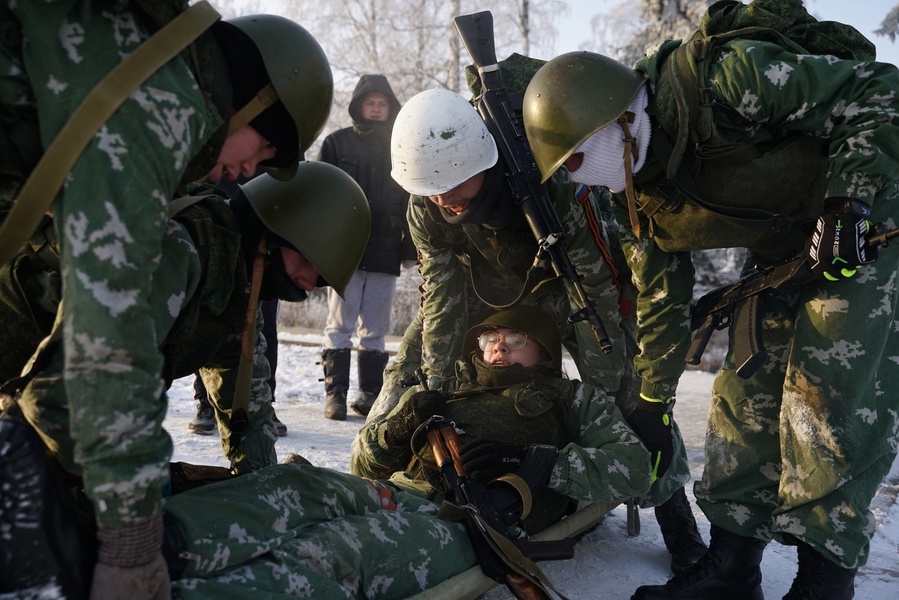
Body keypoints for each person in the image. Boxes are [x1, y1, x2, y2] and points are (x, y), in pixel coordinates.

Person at [520, 1, 899, 598]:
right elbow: (661, 299)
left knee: (826, 399)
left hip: (870, 219)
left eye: (574, 159)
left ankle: (824, 583)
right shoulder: (636, 196)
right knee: (743, 394)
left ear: (615, 121)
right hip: (782, 249)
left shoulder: (727, 78)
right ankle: (731, 570)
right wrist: (652, 404)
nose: (577, 178)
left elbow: (880, 92)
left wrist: (849, 202)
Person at [0, 3, 332, 596]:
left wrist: (261, 491)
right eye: (263, 152)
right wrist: (130, 540)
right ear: (256, 100)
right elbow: (103, 351)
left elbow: (243, 406)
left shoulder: (141, 67)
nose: (249, 170)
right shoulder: (162, 111)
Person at [2, 305, 652, 598]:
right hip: (402, 490)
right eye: (491, 336)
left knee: (334, 553)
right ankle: (133, 552)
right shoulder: (447, 392)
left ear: (544, 350)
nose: (497, 347)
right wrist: (401, 422)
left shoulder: (572, 401)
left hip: (474, 524)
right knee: (290, 489)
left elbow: (637, 471)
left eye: (516, 339)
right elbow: (367, 462)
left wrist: (540, 462)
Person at [362, 69, 706, 575]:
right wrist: (433, 388)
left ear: (478, 160)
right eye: (430, 189)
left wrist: (609, 386)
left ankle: (675, 516)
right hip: (483, 300)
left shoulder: (554, 182)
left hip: (570, 292)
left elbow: (596, 286)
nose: (442, 199)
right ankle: (373, 477)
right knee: (407, 375)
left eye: (451, 185)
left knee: (627, 391)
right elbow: (440, 293)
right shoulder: (427, 204)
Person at [316, 74, 416, 421]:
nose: (376, 109)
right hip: (345, 249)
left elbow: (410, 200)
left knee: (375, 328)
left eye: (382, 104)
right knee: (339, 324)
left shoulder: (401, 146)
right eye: (370, 103)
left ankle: (369, 395)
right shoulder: (336, 144)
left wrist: (410, 247)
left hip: (386, 248)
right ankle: (336, 396)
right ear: (359, 106)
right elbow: (320, 197)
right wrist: (322, 244)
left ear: (390, 108)